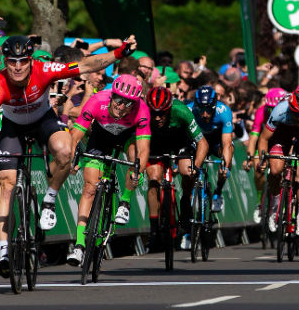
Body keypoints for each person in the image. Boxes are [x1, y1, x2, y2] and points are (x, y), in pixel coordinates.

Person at [0, 35, 137, 277]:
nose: (18, 67)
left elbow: (85, 65)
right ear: (5, 62)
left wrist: (118, 54)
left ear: (31, 60)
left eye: (23, 61)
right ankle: (3, 254)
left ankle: (49, 200)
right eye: (12, 62)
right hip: (13, 127)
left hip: (43, 120)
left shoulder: (45, 70)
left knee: (65, 150)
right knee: (6, 184)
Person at [66, 74, 151, 266]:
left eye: (128, 103)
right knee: (89, 188)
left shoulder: (142, 110)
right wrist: (72, 157)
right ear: (112, 96)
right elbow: (76, 134)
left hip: (127, 137)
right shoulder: (98, 101)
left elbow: (144, 148)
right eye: (119, 100)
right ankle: (79, 245)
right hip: (101, 137)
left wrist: (138, 170)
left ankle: (125, 201)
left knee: (134, 159)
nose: (121, 107)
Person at [145, 86, 208, 251]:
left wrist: (196, 167)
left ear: (169, 108)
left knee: (187, 171)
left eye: (162, 113)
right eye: (154, 113)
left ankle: (185, 200)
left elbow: (203, 144)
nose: (157, 117)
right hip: (156, 143)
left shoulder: (181, 111)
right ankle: (153, 230)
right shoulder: (144, 113)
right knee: (153, 178)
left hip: (180, 141)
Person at [258, 89, 299, 237]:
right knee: (275, 170)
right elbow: (264, 139)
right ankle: (274, 207)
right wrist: (263, 158)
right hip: (282, 134)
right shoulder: (280, 110)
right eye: (297, 114)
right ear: (290, 108)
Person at [242, 87, 287, 223]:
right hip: (265, 141)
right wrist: (249, 157)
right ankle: (260, 202)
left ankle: (284, 203)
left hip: (282, 141)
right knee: (258, 168)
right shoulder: (261, 112)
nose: (273, 111)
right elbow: (254, 138)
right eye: (270, 108)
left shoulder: (287, 111)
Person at [187, 86, 234, 213]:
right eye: (201, 110)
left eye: (209, 110)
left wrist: (225, 165)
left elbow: (227, 143)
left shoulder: (223, 111)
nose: (205, 114)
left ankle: (218, 192)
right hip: (197, 141)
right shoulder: (189, 110)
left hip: (216, 142)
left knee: (228, 155)